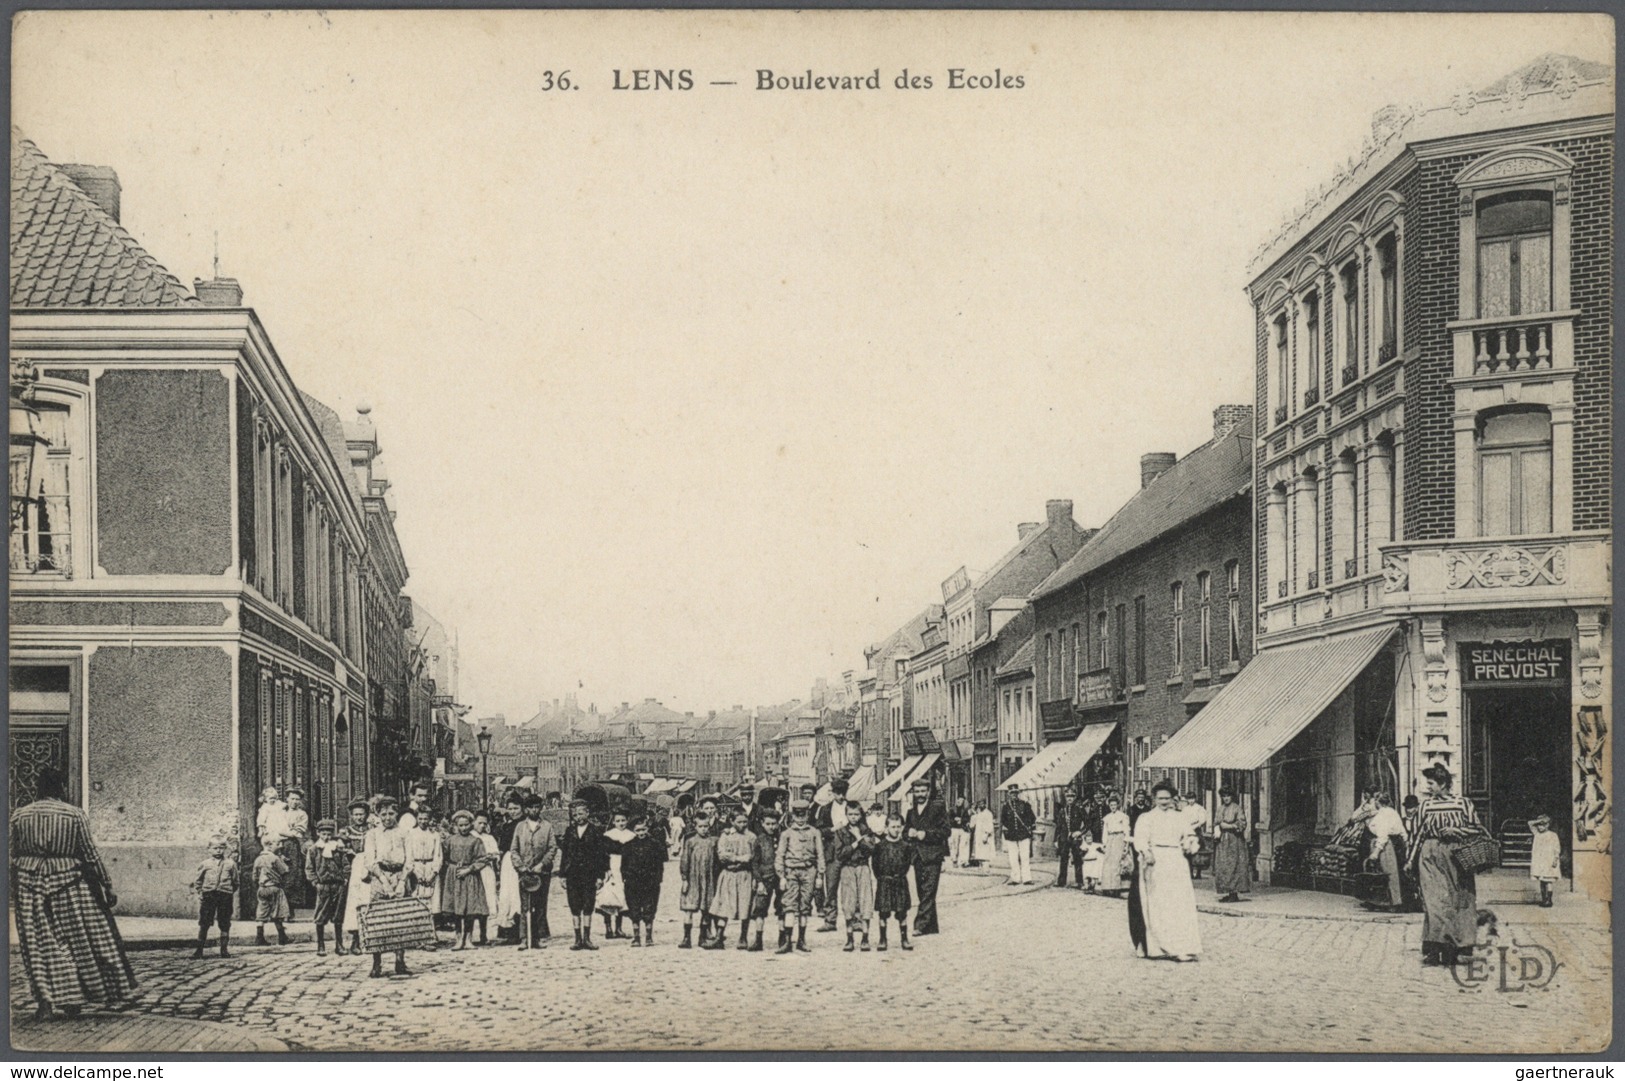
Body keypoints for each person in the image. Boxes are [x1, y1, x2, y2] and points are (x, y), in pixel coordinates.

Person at [11, 768, 137, 1019]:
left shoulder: (19, 815)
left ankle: (46, 1003)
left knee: (38, 944)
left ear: (39, 788)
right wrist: (106, 884)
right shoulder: (74, 814)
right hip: (69, 883)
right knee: (82, 939)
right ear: (60, 788)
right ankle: (81, 998)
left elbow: (11, 854)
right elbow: (90, 854)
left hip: (28, 884)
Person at [1408, 764, 1484, 966]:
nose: (1428, 787)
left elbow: (1477, 829)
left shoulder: (1463, 803)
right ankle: (1434, 947)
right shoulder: (1425, 806)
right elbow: (1417, 835)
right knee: (1434, 901)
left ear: (1443, 784)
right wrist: (1410, 860)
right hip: (1430, 854)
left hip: (1458, 855)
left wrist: (1456, 831)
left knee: (1460, 899)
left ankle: (1459, 947)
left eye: (1431, 783)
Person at [1132, 780, 1201, 962]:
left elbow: (1190, 836)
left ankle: (1181, 946)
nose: (1164, 802)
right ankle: (1156, 946)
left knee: (1178, 904)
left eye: (1167, 798)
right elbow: (1140, 839)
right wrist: (1146, 852)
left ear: (1172, 799)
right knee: (1158, 905)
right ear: (1154, 798)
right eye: (1160, 798)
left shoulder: (1179, 817)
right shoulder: (1146, 818)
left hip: (1176, 862)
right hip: (1156, 863)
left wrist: (1189, 844)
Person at [361, 797, 415, 978]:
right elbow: (369, 860)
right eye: (383, 814)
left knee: (400, 920)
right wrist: (384, 881)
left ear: (397, 814)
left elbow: (409, 860)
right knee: (378, 920)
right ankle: (377, 963)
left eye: (391, 813)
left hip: (400, 875)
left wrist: (401, 883)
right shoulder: (372, 835)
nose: (387, 818)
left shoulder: (405, 833)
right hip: (379, 876)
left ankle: (400, 961)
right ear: (377, 815)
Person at [775, 799, 825, 953]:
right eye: (797, 816)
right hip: (791, 872)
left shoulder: (814, 832)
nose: (800, 819)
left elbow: (820, 855)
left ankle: (801, 940)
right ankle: (788, 942)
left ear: (808, 815)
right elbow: (780, 856)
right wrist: (781, 876)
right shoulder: (786, 834)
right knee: (789, 906)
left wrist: (820, 876)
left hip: (809, 872)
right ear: (793, 816)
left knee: (804, 907)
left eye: (803, 816)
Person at [559, 799, 610, 951]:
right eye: (575, 814)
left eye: (581, 813)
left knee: (588, 905)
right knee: (574, 905)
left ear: (587, 813)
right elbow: (565, 854)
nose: (578, 817)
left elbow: (601, 854)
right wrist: (562, 875)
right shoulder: (570, 831)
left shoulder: (595, 831)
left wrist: (600, 876)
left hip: (590, 874)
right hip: (573, 874)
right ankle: (577, 939)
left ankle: (587, 938)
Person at [510, 794, 557, 950]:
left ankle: (538, 937)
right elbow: (514, 850)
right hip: (524, 872)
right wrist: (521, 867)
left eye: (537, 807)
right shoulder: (520, 827)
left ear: (541, 808)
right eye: (530, 807)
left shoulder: (547, 826)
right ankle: (524, 938)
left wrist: (542, 864)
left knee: (540, 905)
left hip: (541, 872)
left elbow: (552, 848)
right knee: (525, 906)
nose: (534, 810)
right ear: (526, 809)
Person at [904, 779, 950, 935]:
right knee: (922, 891)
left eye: (923, 791)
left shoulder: (937, 809)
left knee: (929, 890)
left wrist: (926, 835)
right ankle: (931, 926)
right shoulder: (911, 812)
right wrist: (908, 833)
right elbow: (905, 832)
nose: (920, 795)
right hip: (917, 857)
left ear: (928, 792)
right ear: (913, 793)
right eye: (917, 792)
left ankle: (920, 925)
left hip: (933, 856)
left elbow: (945, 831)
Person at [440, 810, 491, 950]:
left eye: (466, 825)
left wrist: (469, 869)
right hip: (455, 876)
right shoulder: (450, 840)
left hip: (470, 876)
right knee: (457, 909)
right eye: (460, 825)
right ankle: (458, 938)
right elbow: (442, 857)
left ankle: (468, 938)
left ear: (471, 824)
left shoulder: (476, 841)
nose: (463, 828)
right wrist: (452, 868)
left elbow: (483, 859)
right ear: (456, 825)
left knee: (470, 909)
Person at [708, 809, 757, 950]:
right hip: (728, 874)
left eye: (745, 822)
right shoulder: (726, 836)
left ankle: (743, 937)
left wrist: (743, 860)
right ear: (732, 822)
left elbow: (753, 857)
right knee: (723, 905)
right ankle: (719, 937)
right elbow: (722, 855)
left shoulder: (751, 837)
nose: (742, 824)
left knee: (745, 905)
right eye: (739, 822)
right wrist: (740, 858)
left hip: (745, 875)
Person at [305, 817, 352, 955]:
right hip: (323, 886)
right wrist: (315, 881)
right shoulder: (313, 850)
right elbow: (309, 868)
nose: (326, 836)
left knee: (338, 915)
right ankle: (321, 945)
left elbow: (346, 865)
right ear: (318, 833)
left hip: (338, 885)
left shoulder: (337, 848)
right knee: (321, 915)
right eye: (323, 833)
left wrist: (345, 878)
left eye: (329, 834)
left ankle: (339, 944)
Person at [812, 778, 853, 931]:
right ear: (833, 793)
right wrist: (832, 830)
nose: (841, 797)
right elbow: (819, 830)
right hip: (832, 852)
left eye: (843, 794)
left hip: (849, 853)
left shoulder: (853, 807)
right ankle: (830, 920)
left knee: (850, 887)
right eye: (838, 794)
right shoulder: (825, 809)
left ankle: (854, 919)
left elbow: (862, 826)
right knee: (831, 887)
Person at [834, 808, 878, 952]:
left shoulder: (866, 831)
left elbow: (871, 850)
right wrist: (853, 845)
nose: (853, 817)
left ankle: (865, 938)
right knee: (848, 902)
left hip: (863, 866)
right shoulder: (841, 832)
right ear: (846, 815)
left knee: (865, 900)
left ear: (861, 815)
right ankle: (849, 938)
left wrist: (859, 837)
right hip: (847, 868)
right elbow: (839, 854)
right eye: (850, 814)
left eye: (856, 814)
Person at [621, 816, 667, 946]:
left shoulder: (655, 844)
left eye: (643, 829)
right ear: (634, 831)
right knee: (634, 908)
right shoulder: (628, 846)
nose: (641, 833)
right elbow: (623, 866)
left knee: (649, 907)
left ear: (647, 829)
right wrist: (626, 878)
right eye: (638, 830)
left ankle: (648, 936)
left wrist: (658, 879)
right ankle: (636, 937)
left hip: (650, 882)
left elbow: (660, 864)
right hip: (633, 883)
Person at [191, 837, 239, 959]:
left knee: (224, 922)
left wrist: (227, 891)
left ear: (225, 849)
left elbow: (235, 882)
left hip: (225, 896)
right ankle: (199, 950)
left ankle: (224, 950)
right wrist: (201, 892)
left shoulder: (230, 863)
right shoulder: (205, 864)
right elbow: (198, 880)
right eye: (215, 848)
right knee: (204, 922)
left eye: (221, 848)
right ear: (209, 849)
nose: (218, 851)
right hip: (209, 895)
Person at [679, 806, 720, 948]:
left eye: (706, 826)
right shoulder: (690, 841)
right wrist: (684, 879)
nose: (704, 829)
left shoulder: (713, 841)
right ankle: (686, 937)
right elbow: (685, 860)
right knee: (689, 908)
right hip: (693, 879)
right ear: (695, 826)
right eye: (700, 826)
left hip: (708, 880)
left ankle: (702, 937)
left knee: (706, 909)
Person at [872, 814, 914, 951]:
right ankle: (882, 939)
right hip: (884, 881)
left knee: (902, 912)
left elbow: (907, 864)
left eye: (898, 827)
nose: (896, 829)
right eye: (893, 827)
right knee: (883, 912)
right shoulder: (880, 846)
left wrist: (899, 875)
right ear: (886, 828)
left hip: (900, 882)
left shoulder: (905, 846)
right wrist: (882, 877)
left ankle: (904, 939)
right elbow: (875, 865)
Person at [1364, 792, 1408, 911]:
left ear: (1378, 802)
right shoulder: (1393, 812)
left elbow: (1383, 834)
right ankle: (1390, 901)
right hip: (1394, 844)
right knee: (1392, 873)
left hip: (1385, 846)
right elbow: (1403, 831)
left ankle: (1389, 902)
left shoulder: (1383, 815)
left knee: (1386, 873)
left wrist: (1375, 852)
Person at [748, 810, 785, 952]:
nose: (771, 827)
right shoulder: (760, 840)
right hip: (765, 878)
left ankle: (782, 938)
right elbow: (755, 863)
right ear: (762, 824)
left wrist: (784, 877)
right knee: (760, 909)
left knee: (782, 907)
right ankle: (758, 939)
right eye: (768, 824)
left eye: (774, 824)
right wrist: (759, 881)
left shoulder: (782, 837)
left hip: (780, 878)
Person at [339, 798, 372, 954]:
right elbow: (342, 852)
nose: (359, 817)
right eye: (356, 815)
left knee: (369, 900)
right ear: (351, 816)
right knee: (355, 902)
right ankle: (355, 940)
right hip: (354, 870)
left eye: (362, 814)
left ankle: (370, 939)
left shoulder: (372, 830)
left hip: (370, 868)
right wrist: (349, 854)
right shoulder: (346, 831)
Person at [406, 807, 443, 945]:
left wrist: (433, 873)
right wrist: (415, 872)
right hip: (415, 868)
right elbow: (408, 854)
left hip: (430, 868)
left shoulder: (435, 835)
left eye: (425, 818)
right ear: (416, 818)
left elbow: (438, 855)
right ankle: (419, 936)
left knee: (432, 904)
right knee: (417, 902)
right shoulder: (410, 834)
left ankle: (431, 933)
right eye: (420, 818)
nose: (423, 821)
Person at [597, 811, 635, 940]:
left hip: (624, 868)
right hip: (611, 867)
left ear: (627, 820)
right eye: (618, 821)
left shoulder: (631, 835)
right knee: (607, 896)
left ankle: (619, 928)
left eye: (623, 820)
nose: (621, 823)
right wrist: (605, 869)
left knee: (621, 897)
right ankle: (608, 928)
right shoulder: (608, 835)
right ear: (613, 822)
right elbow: (602, 854)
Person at [1213, 788, 1251, 903]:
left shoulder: (1237, 808)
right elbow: (1216, 822)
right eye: (1224, 796)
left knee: (1234, 866)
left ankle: (1234, 893)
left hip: (1234, 841)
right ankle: (1227, 891)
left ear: (1232, 797)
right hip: (1222, 842)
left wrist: (1228, 826)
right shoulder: (1220, 809)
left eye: (1228, 796)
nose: (1226, 798)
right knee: (1223, 867)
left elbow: (1242, 824)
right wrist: (1218, 828)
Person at [252, 839, 292, 947]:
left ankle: (259, 937)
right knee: (277, 911)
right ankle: (282, 937)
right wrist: (282, 860)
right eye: (278, 844)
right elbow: (284, 870)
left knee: (262, 912)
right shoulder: (274, 858)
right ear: (269, 846)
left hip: (262, 888)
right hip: (274, 888)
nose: (280, 846)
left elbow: (254, 876)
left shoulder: (258, 859)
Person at [472, 811, 501, 944]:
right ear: (474, 822)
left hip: (487, 871)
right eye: (480, 823)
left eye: (485, 823)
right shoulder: (470, 836)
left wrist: (493, 856)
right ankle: (470, 935)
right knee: (473, 902)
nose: (482, 826)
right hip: (473, 872)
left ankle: (484, 934)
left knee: (487, 901)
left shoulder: (489, 838)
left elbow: (496, 853)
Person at [1000, 782, 1037, 886]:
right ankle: (1015, 878)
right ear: (1009, 794)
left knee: (1025, 857)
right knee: (1013, 857)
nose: (1014, 795)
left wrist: (1029, 827)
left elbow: (1032, 818)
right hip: (1011, 835)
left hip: (1023, 835)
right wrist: (1007, 830)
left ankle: (1027, 878)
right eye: (1012, 793)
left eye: (1015, 793)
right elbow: (1003, 820)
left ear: (1018, 793)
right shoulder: (1006, 806)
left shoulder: (1025, 805)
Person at [1054, 788, 1089, 889]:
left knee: (1077, 859)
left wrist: (1080, 832)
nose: (1070, 798)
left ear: (1075, 797)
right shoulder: (1062, 810)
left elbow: (1088, 823)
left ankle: (1079, 881)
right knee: (1063, 859)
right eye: (1068, 796)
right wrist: (1055, 840)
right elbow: (1058, 826)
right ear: (1065, 798)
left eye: (1072, 796)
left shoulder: (1080, 809)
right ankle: (1061, 881)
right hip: (1064, 838)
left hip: (1075, 838)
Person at [1098, 794, 1132, 897]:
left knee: (1116, 862)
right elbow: (1105, 831)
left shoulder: (1123, 816)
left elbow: (1126, 830)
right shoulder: (1107, 818)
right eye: (1111, 805)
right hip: (1110, 839)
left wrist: (1126, 844)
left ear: (1118, 805)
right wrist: (1104, 843)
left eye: (1114, 805)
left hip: (1119, 838)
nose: (1113, 807)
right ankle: (1107, 888)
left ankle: (1116, 888)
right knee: (1107, 862)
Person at [1529, 814, 1562, 908]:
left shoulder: (1553, 835)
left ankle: (1549, 900)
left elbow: (1557, 848)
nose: (1540, 827)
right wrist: (1539, 821)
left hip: (1549, 860)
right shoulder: (1537, 834)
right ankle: (1544, 899)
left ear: (1547, 825)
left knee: (1548, 881)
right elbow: (1530, 823)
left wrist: (1555, 859)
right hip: (1540, 861)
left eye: (1543, 825)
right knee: (1542, 881)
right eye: (1539, 825)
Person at [1181, 791, 1210, 880]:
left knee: (1198, 851)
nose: (1191, 801)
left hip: (1196, 830)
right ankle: (1190, 872)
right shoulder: (1185, 809)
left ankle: (1198, 872)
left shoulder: (1199, 808)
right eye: (1189, 799)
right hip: (1187, 830)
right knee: (1188, 851)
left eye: (1192, 798)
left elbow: (1202, 820)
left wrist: (1195, 826)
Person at [969, 799, 995, 867]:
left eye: (982, 804)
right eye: (979, 804)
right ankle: (981, 867)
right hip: (978, 835)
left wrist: (986, 834)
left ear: (985, 805)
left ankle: (986, 867)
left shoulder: (988, 813)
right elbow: (972, 825)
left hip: (985, 835)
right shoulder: (978, 814)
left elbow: (990, 825)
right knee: (979, 852)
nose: (981, 805)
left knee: (986, 852)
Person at [948, 797, 971, 868]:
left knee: (963, 845)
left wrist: (962, 820)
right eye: (958, 800)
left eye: (961, 801)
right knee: (954, 845)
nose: (959, 802)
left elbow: (967, 819)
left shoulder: (965, 810)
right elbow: (948, 819)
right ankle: (954, 860)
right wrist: (954, 820)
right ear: (956, 800)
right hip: (954, 829)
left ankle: (963, 861)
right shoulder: (951, 810)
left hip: (962, 829)